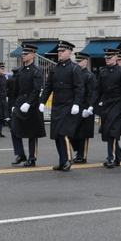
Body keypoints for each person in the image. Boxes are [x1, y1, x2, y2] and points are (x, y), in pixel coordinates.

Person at [39, 41, 84, 171]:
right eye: (59, 51)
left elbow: (79, 88)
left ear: (69, 53)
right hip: (57, 105)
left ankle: (68, 160)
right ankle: (62, 159)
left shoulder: (74, 68)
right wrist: (42, 101)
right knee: (57, 135)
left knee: (63, 133)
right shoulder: (55, 69)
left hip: (68, 105)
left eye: (62, 51)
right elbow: (48, 87)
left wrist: (76, 104)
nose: (59, 53)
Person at [8, 44, 45, 167]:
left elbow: (36, 89)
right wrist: (14, 104)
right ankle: (20, 153)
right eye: (23, 54)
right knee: (14, 129)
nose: (23, 56)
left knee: (32, 133)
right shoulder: (20, 71)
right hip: (20, 103)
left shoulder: (36, 71)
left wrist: (29, 103)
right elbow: (16, 90)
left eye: (26, 54)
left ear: (33, 55)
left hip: (32, 105)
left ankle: (32, 157)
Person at [96, 48, 121, 167]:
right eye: (106, 58)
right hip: (106, 103)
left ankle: (112, 158)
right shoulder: (103, 71)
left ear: (116, 58)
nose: (107, 60)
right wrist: (95, 104)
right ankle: (117, 156)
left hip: (117, 103)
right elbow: (98, 89)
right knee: (107, 131)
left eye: (109, 57)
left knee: (112, 131)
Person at [71, 52, 98, 163]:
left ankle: (82, 155)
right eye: (76, 60)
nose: (77, 63)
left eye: (80, 61)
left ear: (85, 62)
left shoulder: (89, 76)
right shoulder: (73, 73)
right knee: (72, 132)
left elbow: (93, 92)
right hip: (76, 105)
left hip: (85, 106)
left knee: (83, 133)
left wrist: (91, 107)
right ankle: (77, 151)